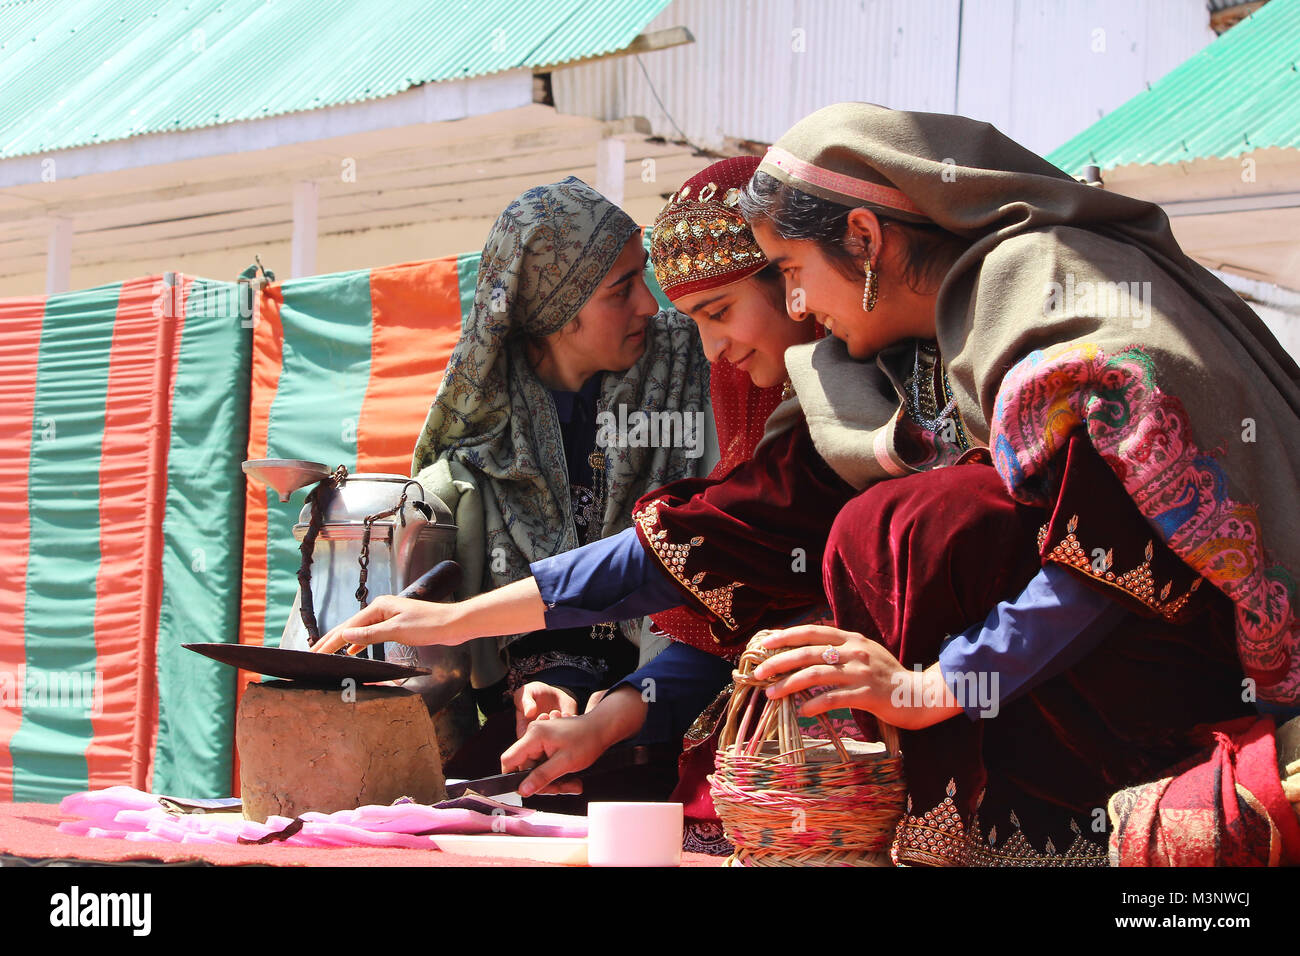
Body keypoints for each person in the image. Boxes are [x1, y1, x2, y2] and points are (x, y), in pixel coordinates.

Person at [406, 175, 712, 790]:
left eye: (642, 277)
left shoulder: (693, 364)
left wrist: (614, 706)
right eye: (621, 290)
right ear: (556, 311)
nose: (650, 306)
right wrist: (534, 687)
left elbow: (705, 552)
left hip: (682, 702)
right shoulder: (485, 437)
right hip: (528, 731)